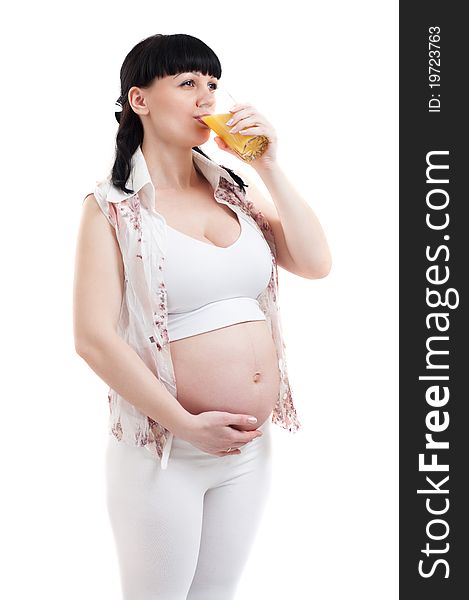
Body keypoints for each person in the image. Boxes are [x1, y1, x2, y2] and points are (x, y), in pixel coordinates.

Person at [73, 33, 331, 599]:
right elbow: (93, 339)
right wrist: (187, 424)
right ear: (139, 100)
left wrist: (270, 166)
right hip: (167, 455)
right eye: (187, 83)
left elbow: (314, 262)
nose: (205, 99)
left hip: (248, 451)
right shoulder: (112, 209)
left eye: (212, 85)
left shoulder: (234, 189)